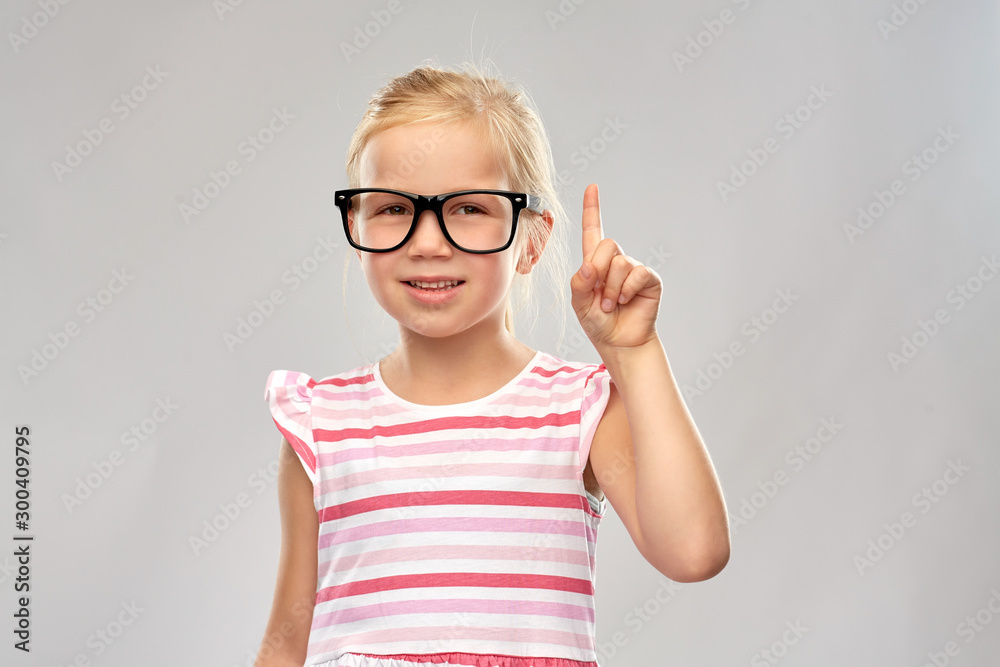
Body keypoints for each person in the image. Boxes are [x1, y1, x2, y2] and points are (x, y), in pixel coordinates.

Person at [256, 61, 730, 667]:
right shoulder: (320, 424)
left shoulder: (578, 410)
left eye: (470, 209)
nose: (428, 242)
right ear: (356, 222)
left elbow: (694, 552)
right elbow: (287, 640)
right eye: (394, 209)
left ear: (530, 240)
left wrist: (634, 355)